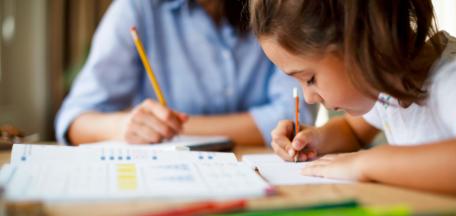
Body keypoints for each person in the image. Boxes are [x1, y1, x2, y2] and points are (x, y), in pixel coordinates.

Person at [250, 0, 456, 197]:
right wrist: (315, 139)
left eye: (309, 79)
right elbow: (353, 130)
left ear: (362, 40)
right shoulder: (386, 84)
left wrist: (367, 163)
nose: (308, 98)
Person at [55, 0, 313, 146]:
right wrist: (125, 125)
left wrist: (175, 129)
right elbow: (74, 121)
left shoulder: (275, 7)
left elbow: (292, 117)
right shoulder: (137, 8)